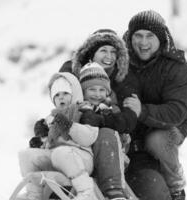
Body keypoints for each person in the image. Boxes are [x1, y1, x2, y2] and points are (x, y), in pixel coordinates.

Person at [59, 30, 141, 200]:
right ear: (92, 53)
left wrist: (102, 120)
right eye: (104, 50)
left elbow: (128, 118)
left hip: (109, 142)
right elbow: (61, 105)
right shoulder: (71, 73)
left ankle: (113, 190)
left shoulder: (123, 78)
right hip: (76, 139)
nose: (109, 56)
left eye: (113, 52)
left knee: (106, 134)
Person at [123, 10, 187, 200]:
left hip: (169, 127)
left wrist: (142, 111)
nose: (143, 42)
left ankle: (176, 185)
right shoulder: (122, 58)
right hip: (131, 132)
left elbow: (176, 111)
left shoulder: (175, 65)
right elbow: (88, 62)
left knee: (157, 140)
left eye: (149, 36)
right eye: (138, 35)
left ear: (160, 38)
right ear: (130, 38)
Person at [18, 72, 100, 200]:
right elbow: (49, 143)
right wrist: (40, 142)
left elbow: (89, 136)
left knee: (60, 153)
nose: (61, 98)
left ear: (74, 93)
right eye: (57, 95)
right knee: (26, 155)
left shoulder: (84, 111)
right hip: (57, 159)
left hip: (80, 159)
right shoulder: (51, 119)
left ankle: (86, 192)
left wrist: (69, 126)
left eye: (65, 93)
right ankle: (34, 196)